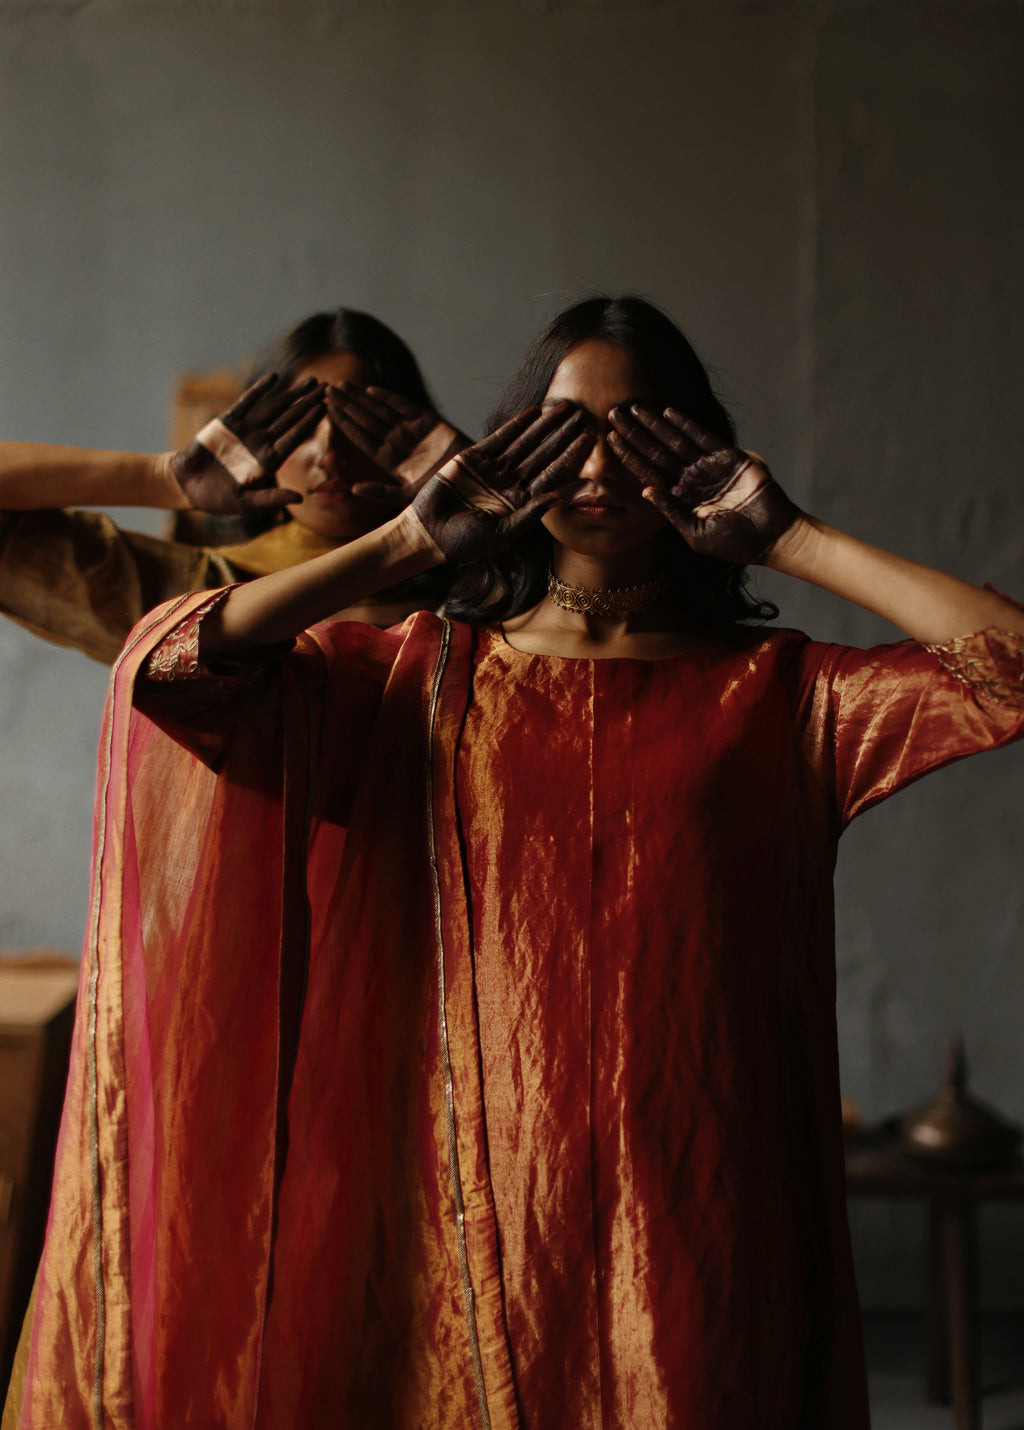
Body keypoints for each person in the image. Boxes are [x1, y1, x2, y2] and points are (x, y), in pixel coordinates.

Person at [12, 297, 1024, 1429]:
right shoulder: (409, 681)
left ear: (699, 456)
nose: (598, 464)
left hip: (702, 1204)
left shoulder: (784, 693)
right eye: (564, 430)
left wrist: (787, 535)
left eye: (641, 430)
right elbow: (177, 672)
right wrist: (409, 540)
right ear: (506, 456)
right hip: (462, 1213)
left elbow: (1010, 669)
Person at [0, 308, 465, 660]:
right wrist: (164, 479)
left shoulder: (489, 582)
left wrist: (471, 486)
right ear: (258, 442)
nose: (327, 454)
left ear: (417, 426)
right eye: (300, 427)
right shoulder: (196, 596)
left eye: (360, 425)